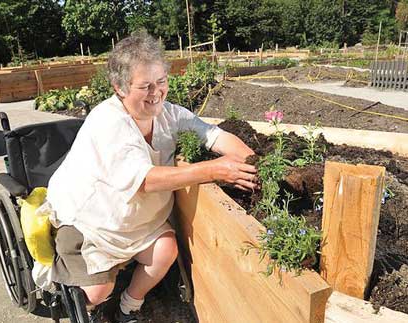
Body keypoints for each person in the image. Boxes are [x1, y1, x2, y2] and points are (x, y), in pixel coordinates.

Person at [46, 31, 257, 323]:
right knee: (96, 291)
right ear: (119, 87)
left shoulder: (169, 114)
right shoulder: (109, 122)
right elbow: (146, 181)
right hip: (95, 219)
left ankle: (128, 305)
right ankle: (89, 301)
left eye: (161, 82)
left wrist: (253, 163)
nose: (156, 92)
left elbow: (213, 136)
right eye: (145, 86)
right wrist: (214, 169)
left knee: (166, 250)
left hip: (138, 218)